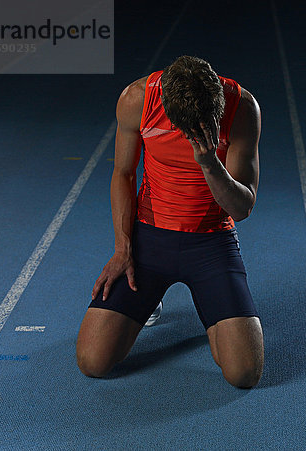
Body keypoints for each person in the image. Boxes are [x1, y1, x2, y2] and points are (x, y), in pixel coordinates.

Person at [76, 55, 263, 388]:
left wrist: (208, 163)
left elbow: (241, 208)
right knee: (93, 362)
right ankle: (151, 298)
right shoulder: (137, 99)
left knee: (244, 374)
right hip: (150, 239)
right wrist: (123, 249)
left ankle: (212, 306)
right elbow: (123, 173)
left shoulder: (242, 107)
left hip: (211, 243)